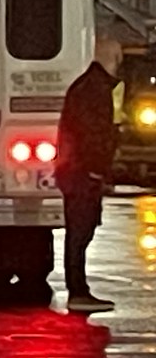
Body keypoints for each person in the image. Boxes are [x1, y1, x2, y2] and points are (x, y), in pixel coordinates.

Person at [55, 38, 123, 312]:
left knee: (81, 230)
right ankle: (78, 291)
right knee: (81, 232)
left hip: (76, 170)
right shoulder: (95, 90)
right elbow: (93, 134)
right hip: (83, 172)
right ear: (113, 58)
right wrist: (98, 169)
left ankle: (79, 289)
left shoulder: (86, 86)